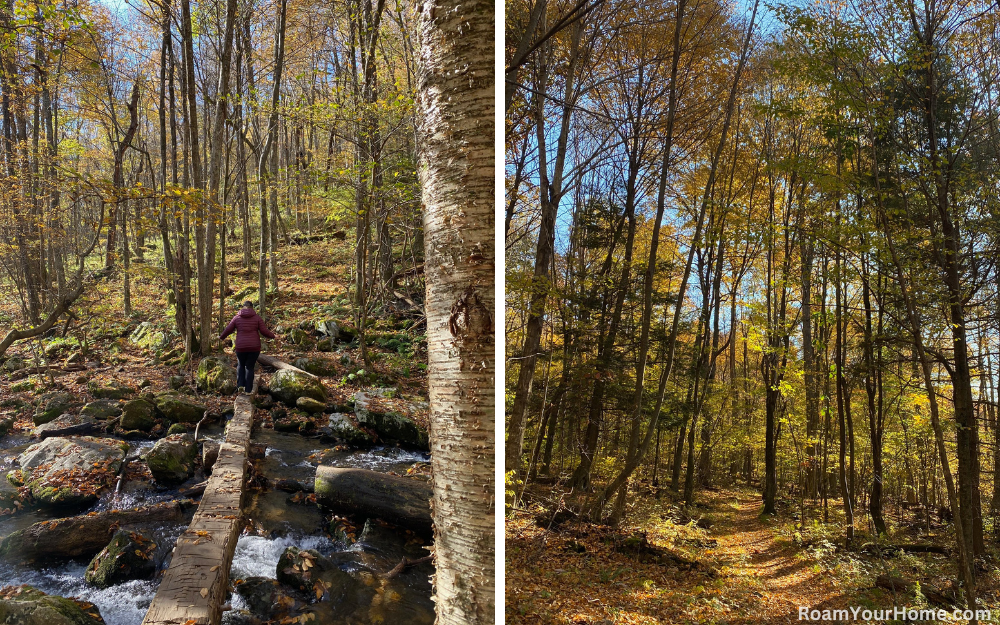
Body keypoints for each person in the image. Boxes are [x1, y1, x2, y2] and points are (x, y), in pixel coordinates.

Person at [220, 301, 276, 393]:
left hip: (241, 347)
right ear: (252, 308)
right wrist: (273, 336)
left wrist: (222, 337)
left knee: (241, 365)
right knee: (249, 367)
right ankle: (248, 390)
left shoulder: (237, 318)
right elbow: (264, 331)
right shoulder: (257, 318)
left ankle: (240, 386)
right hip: (254, 347)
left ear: (243, 307)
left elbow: (228, 329)